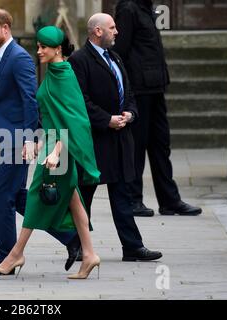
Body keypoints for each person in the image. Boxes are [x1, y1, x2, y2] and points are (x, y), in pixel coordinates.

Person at [0, 9, 82, 276]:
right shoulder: (0, 57)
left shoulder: (20, 57)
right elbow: (6, 91)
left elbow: (29, 100)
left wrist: (28, 139)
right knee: (20, 197)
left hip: (17, 139)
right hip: (7, 134)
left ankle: (6, 256)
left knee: (2, 195)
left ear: (6, 28)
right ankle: (72, 239)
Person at [0, 26, 101, 279]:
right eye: (38, 46)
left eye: (44, 47)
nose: (38, 51)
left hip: (59, 148)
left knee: (37, 196)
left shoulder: (64, 75)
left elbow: (74, 120)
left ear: (58, 49)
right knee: (74, 202)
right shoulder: (54, 71)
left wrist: (56, 150)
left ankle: (16, 254)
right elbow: (53, 113)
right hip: (51, 143)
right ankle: (90, 254)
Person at [68, 13, 162, 261]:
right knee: (85, 196)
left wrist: (129, 113)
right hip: (95, 141)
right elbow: (79, 100)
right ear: (97, 31)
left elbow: (129, 92)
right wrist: (106, 119)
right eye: (112, 27)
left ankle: (132, 247)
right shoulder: (79, 60)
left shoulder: (116, 57)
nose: (117, 31)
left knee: (122, 195)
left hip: (120, 138)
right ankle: (76, 245)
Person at [113, 0, 202, 217]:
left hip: (155, 87)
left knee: (161, 145)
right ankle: (133, 199)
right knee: (137, 146)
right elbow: (121, 50)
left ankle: (170, 201)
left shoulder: (146, 8)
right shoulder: (128, 8)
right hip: (139, 89)